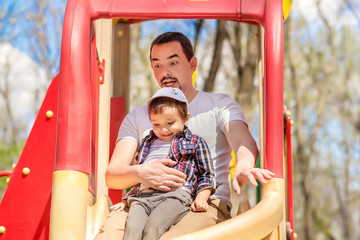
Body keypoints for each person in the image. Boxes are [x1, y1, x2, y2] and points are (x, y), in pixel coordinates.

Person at [95, 31, 275, 240]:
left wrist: (244, 164)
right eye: (157, 65)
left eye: (173, 62)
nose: (165, 72)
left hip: (201, 203)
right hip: (144, 202)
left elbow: (242, 138)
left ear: (192, 64)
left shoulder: (217, 105)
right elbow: (113, 175)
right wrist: (142, 173)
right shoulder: (138, 116)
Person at [113, 87, 215, 240]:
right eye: (156, 124)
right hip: (143, 198)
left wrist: (201, 198)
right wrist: (127, 199)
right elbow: (141, 173)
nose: (163, 129)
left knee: (154, 226)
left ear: (185, 119)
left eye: (170, 122)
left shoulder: (194, 142)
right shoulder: (147, 143)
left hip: (174, 195)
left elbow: (207, 175)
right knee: (132, 229)